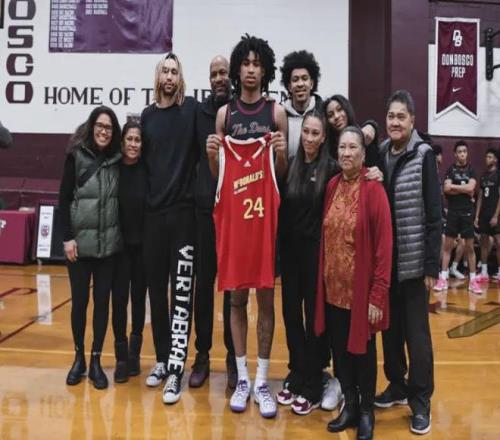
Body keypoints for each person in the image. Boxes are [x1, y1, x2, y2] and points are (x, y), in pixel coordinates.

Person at [206, 34, 287, 418]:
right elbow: (219, 178)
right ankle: (241, 378)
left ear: (264, 69)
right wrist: (212, 156)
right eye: (246, 63)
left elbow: (280, 178)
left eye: (257, 64)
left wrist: (281, 156)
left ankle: (263, 381)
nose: (251, 70)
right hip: (236, 226)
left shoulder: (276, 113)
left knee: (266, 303)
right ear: (237, 69)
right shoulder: (226, 116)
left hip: (265, 225)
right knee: (236, 301)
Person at [315, 125, 392, 440]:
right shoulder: (332, 185)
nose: (346, 153)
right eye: (342, 148)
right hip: (332, 290)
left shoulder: (374, 190)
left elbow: (384, 248)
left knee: (363, 354)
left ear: (363, 153)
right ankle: (350, 404)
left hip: (361, 294)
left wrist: (377, 295)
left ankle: (366, 411)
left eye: (353, 148)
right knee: (340, 352)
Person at [375, 90, 441, 435]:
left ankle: (420, 400)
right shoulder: (382, 153)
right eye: (391, 116)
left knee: (417, 338)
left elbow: (435, 214)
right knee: (391, 333)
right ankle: (397, 385)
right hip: (388, 265)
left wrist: (432, 266)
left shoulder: (424, 155)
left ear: (413, 121)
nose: (395, 122)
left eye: (402, 116)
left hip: (415, 266)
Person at [141, 52, 198, 404]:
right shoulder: (147, 116)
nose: (169, 76)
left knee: (181, 293)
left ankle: (177, 370)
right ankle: (162, 359)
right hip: (153, 218)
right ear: (158, 76)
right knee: (156, 293)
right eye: (165, 71)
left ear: (180, 78)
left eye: (174, 71)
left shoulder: (190, 110)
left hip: (183, 218)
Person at [276, 110, 342, 415]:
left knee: (314, 318)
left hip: (317, 255)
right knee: (291, 313)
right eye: (306, 132)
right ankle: (297, 371)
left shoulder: (332, 169)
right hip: (290, 254)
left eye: (316, 133)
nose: (310, 138)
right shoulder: (290, 165)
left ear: (324, 137)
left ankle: (314, 379)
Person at [59, 106, 123, 390]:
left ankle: (96, 359)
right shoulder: (76, 156)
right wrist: (67, 238)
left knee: (101, 304)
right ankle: (79, 358)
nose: (104, 131)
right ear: (91, 126)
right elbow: (63, 199)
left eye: (109, 127)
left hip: (108, 248)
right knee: (80, 304)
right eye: (100, 125)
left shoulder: (118, 159)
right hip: (79, 248)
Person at [189, 55, 236, 389]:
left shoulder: (242, 111)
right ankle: (202, 355)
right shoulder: (198, 113)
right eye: (214, 73)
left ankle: (234, 357)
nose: (219, 78)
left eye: (223, 72)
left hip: (235, 212)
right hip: (204, 212)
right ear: (209, 79)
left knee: (232, 288)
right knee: (203, 287)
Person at [111, 121, 148, 382]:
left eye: (138, 140)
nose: (133, 144)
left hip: (143, 248)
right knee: (119, 301)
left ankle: (135, 355)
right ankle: (121, 358)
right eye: (130, 139)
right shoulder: (113, 169)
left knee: (138, 301)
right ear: (122, 142)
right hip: (119, 248)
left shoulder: (147, 170)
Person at [434, 141, 480, 294]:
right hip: (453, 212)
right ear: (455, 154)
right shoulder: (450, 170)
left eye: (464, 151)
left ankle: (473, 281)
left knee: (470, 248)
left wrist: (455, 187)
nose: (462, 154)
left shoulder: (472, 170)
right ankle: (443, 279)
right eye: (459, 151)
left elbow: (471, 187)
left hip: (467, 213)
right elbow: (447, 189)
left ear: (467, 153)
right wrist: (464, 190)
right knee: (447, 247)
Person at [280, 50, 322, 158]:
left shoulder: (323, 111)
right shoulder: (280, 114)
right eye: (295, 79)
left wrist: (368, 128)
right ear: (289, 86)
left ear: (311, 83)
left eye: (304, 78)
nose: (300, 84)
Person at [323, 95, 380, 167]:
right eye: (330, 115)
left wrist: (372, 126)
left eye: (339, 109)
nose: (336, 116)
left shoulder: (365, 137)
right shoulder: (327, 149)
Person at [475, 148, 500, 282]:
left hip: (495, 214)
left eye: (490, 157)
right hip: (484, 214)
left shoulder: (498, 175)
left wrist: (496, 215)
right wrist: (477, 216)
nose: (487, 159)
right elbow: (480, 197)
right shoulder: (483, 176)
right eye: (486, 157)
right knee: (484, 242)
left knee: (498, 242)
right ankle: (484, 271)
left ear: (495, 159)